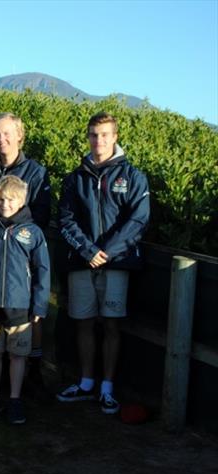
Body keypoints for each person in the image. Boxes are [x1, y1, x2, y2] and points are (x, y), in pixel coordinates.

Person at [56, 112, 150, 415]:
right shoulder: (75, 178)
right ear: (88, 137)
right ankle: (85, 383)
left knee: (111, 324)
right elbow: (66, 220)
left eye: (105, 135)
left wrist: (108, 251)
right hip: (83, 262)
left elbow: (138, 220)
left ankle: (107, 389)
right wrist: (87, 251)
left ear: (115, 137)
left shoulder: (133, 176)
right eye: (94, 135)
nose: (99, 141)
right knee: (83, 322)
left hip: (117, 263)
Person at [0, 113, 52, 396]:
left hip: (22, 253)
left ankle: (32, 371)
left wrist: (19, 235)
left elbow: (41, 214)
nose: (1, 139)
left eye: (7, 133)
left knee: (29, 316)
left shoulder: (36, 171)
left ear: (20, 135)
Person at [0, 176, 50, 424]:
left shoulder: (33, 233)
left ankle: (15, 399)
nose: (4, 204)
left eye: (10, 199)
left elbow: (42, 270)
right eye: (1, 199)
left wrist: (39, 304)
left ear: (21, 201)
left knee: (17, 355)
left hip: (21, 307)